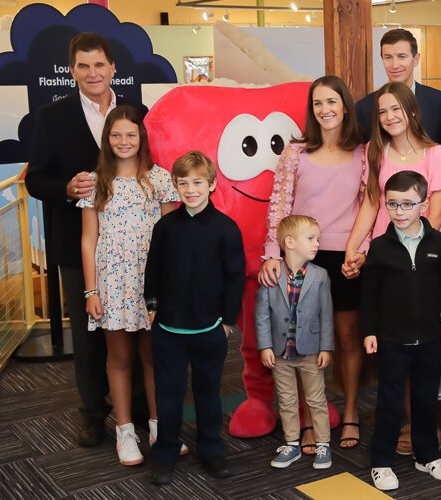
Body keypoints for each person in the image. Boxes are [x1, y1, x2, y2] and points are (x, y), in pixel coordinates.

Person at [25, 32, 149, 447]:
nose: (92, 73)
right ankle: (94, 414)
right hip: (80, 244)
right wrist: (66, 187)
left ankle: (137, 414)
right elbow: (36, 179)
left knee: (135, 328)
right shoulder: (51, 116)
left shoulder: (139, 111)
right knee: (89, 331)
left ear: (113, 67)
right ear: (72, 70)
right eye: (83, 66)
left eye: (100, 64)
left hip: (134, 247)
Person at [258, 75, 365, 452]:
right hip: (300, 259)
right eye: (318, 103)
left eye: (332, 101)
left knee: (348, 338)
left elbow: (369, 206)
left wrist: (361, 249)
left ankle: (350, 412)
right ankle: (306, 419)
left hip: (346, 257)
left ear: (345, 106)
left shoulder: (364, 151)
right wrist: (273, 252)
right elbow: (279, 204)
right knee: (300, 343)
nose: (326, 110)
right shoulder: (295, 152)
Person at [346, 81, 441, 444]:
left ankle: (425, 424)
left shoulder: (434, 153)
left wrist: (417, 253)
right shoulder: (374, 152)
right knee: (391, 345)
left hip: (420, 262)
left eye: (396, 109)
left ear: (411, 111)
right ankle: (403, 419)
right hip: (385, 260)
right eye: (382, 111)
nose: (390, 117)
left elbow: (435, 214)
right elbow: (371, 205)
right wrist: (354, 250)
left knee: (424, 345)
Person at [78, 105, 179, 465]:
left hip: (150, 284)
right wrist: (91, 291)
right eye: (116, 135)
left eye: (130, 134)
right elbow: (89, 240)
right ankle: (125, 431)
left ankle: (157, 426)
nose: (123, 141)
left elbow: (172, 239)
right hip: (112, 285)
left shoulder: (161, 180)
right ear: (107, 139)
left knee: (154, 357)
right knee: (119, 358)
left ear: (142, 138)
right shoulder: (95, 182)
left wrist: (170, 287)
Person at [144, 151, 245, 485]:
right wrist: (153, 304)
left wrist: (227, 320)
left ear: (212, 184)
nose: (190, 189)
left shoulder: (226, 229)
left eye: (198, 182)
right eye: (183, 182)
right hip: (169, 329)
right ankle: (166, 452)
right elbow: (154, 268)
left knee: (208, 393)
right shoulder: (165, 227)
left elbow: (235, 277)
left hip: (209, 328)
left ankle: (211, 450)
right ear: (175, 185)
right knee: (169, 395)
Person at [361, 171, 441, 491]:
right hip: (391, 338)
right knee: (389, 401)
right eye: (392, 204)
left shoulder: (440, 244)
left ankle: (427, 454)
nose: (399, 211)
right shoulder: (379, 248)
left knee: (425, 399)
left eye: (407, 204)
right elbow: (370, 293)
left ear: (424, 205)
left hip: (430, 338)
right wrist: (370, 330)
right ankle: (381, 460)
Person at [256, 215, 334, 471]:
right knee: (287, 399)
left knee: (316, 399)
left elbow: (326, 314)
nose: (317, 244)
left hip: (310, 350)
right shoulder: (271, 274)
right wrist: (265, 346)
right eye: (311, 238)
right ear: (289, 242)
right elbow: (262, 315)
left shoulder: (320, 276)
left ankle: (323, 444)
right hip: (280, 353)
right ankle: (291, 443)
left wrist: (326, 347)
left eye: (317, 238)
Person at [355, 28, 441, 143]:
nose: (395, 65)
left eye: (402, 57)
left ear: (416, 59)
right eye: (388, 57)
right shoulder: (365, 107)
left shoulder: (439, 102)